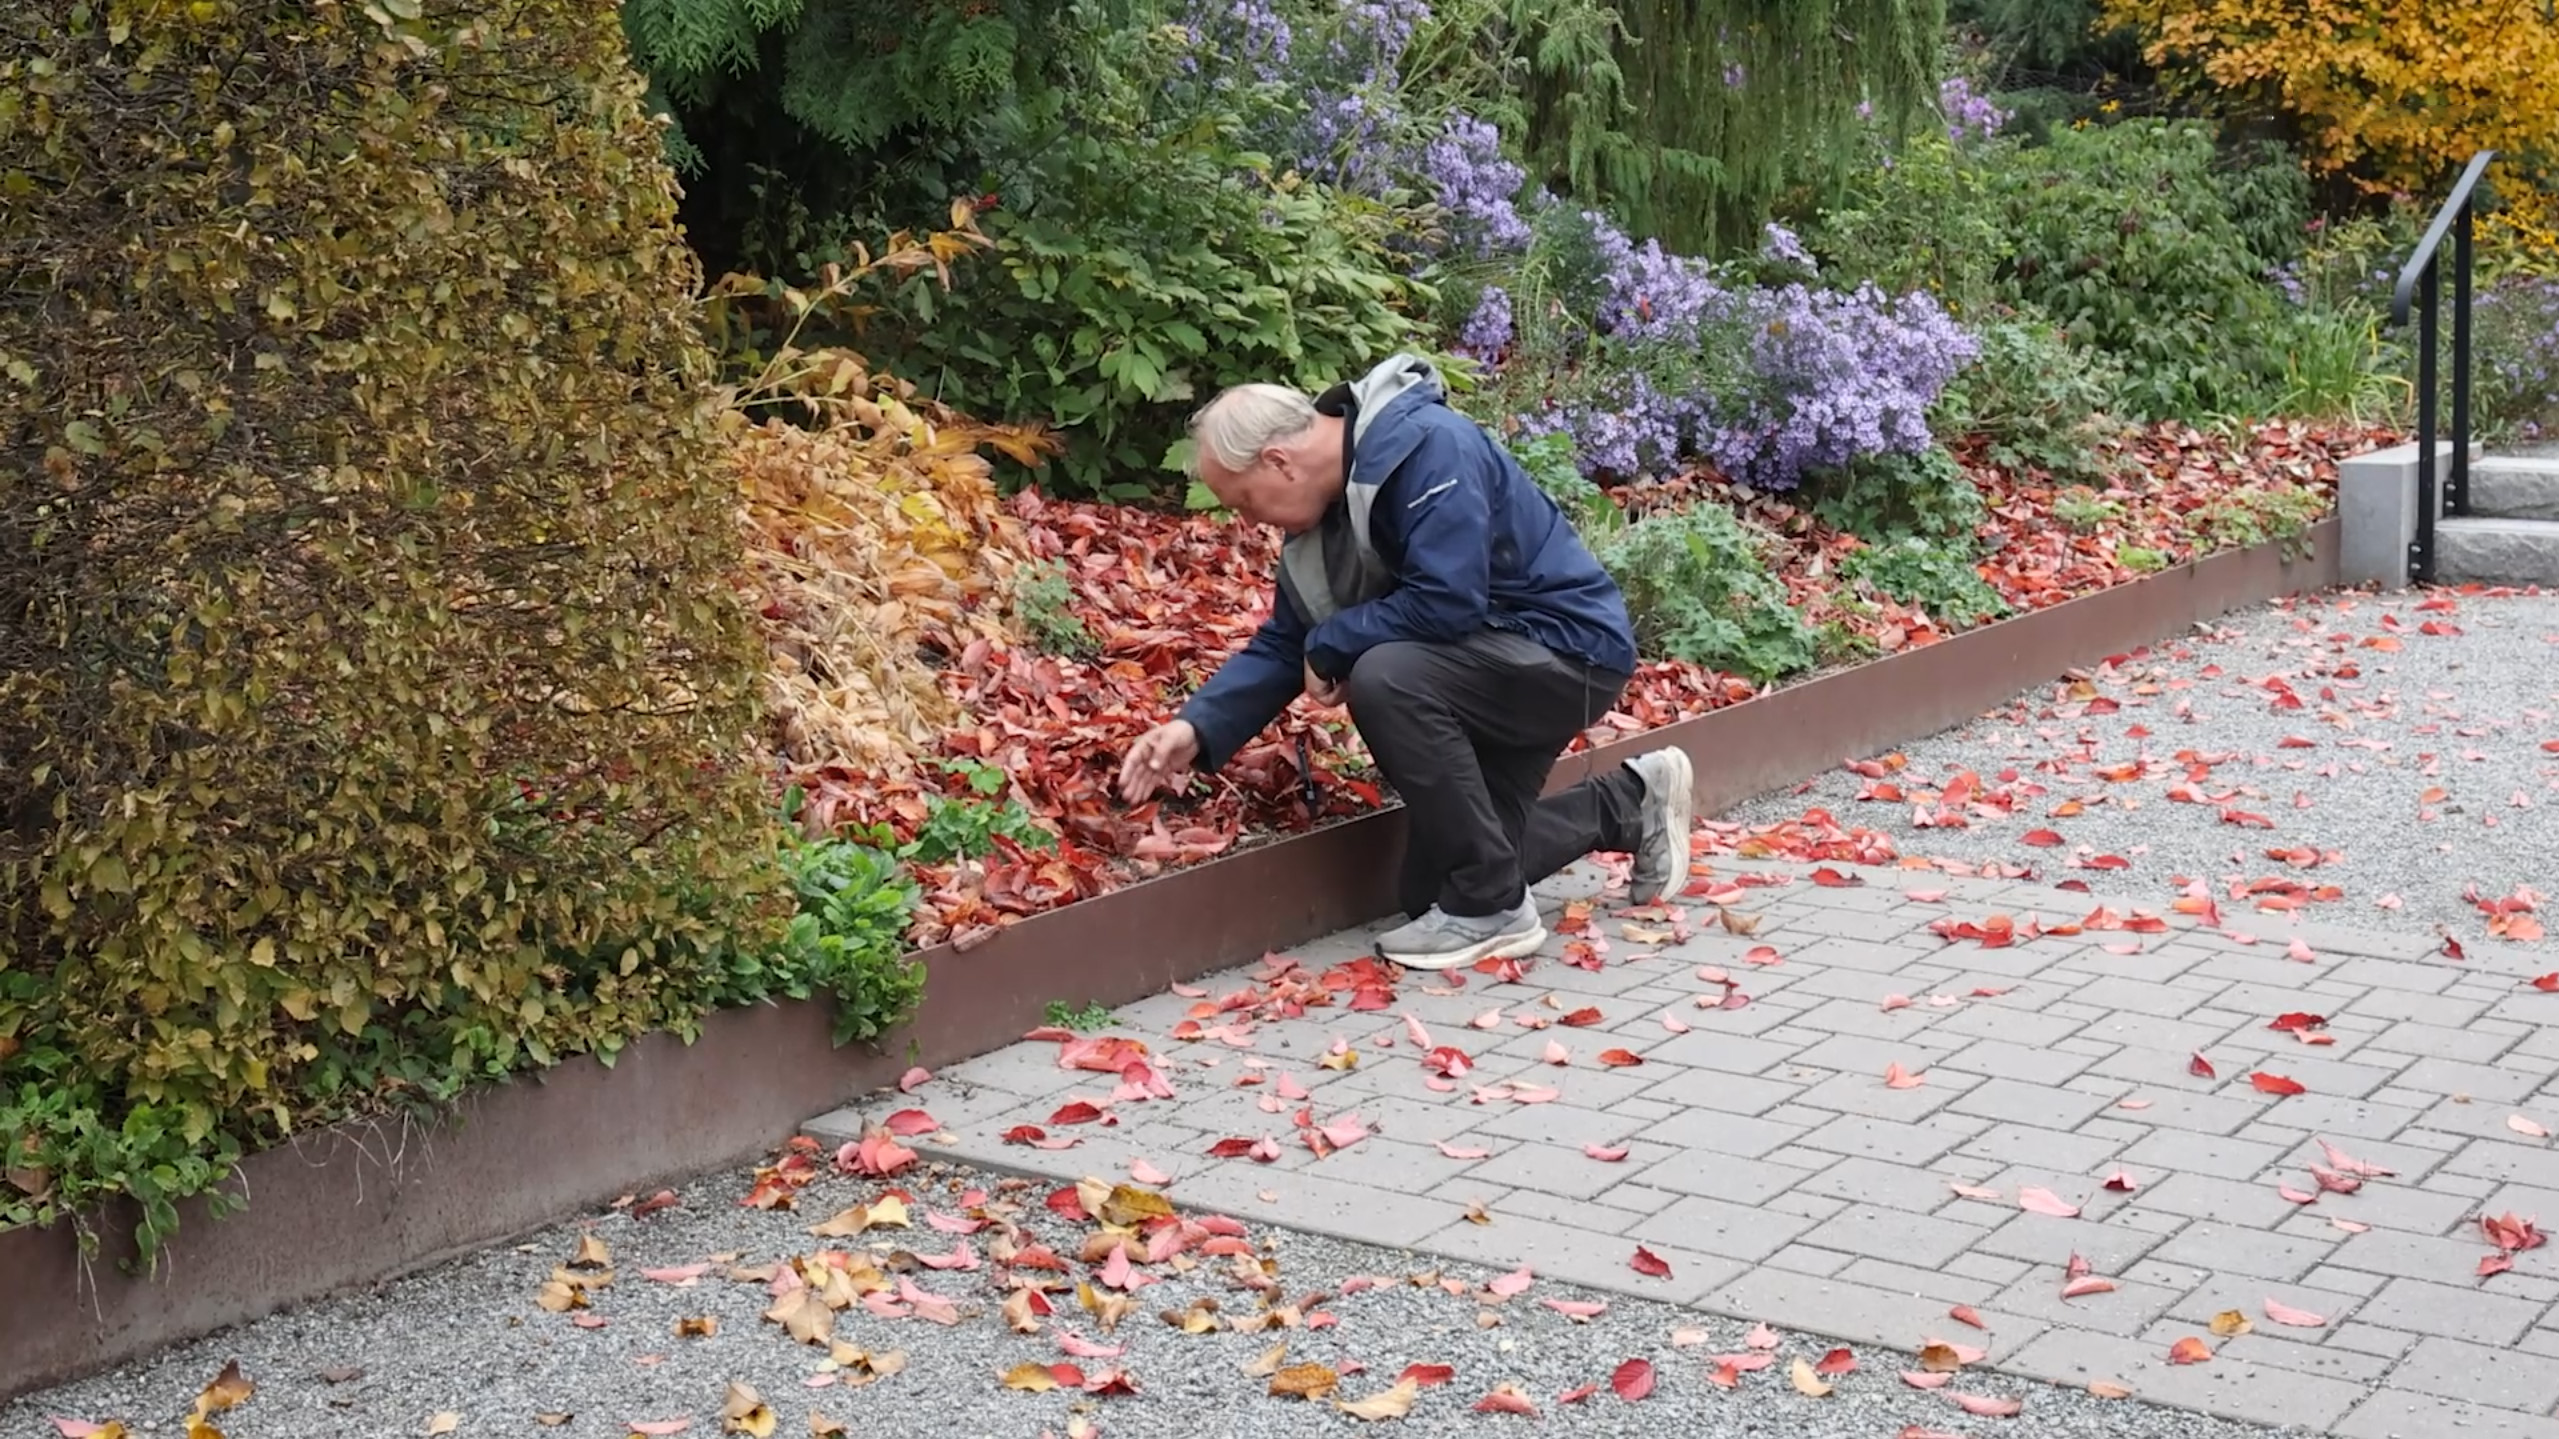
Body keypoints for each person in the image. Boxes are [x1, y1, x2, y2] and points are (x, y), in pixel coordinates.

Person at [1114, 352, 1695, 969]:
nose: (1247, 520)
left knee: (1386, 675)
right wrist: (1194, 727)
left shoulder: (1426, 447)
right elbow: (1288, 640)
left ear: (1278, 463)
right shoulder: (1322, 519)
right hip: (1484, 671)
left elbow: (1448, 602)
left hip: (1565, 654)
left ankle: (1493, 911)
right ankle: (1630, 802)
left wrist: (1335, 642)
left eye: (1244, 501)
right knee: (1434, 890)